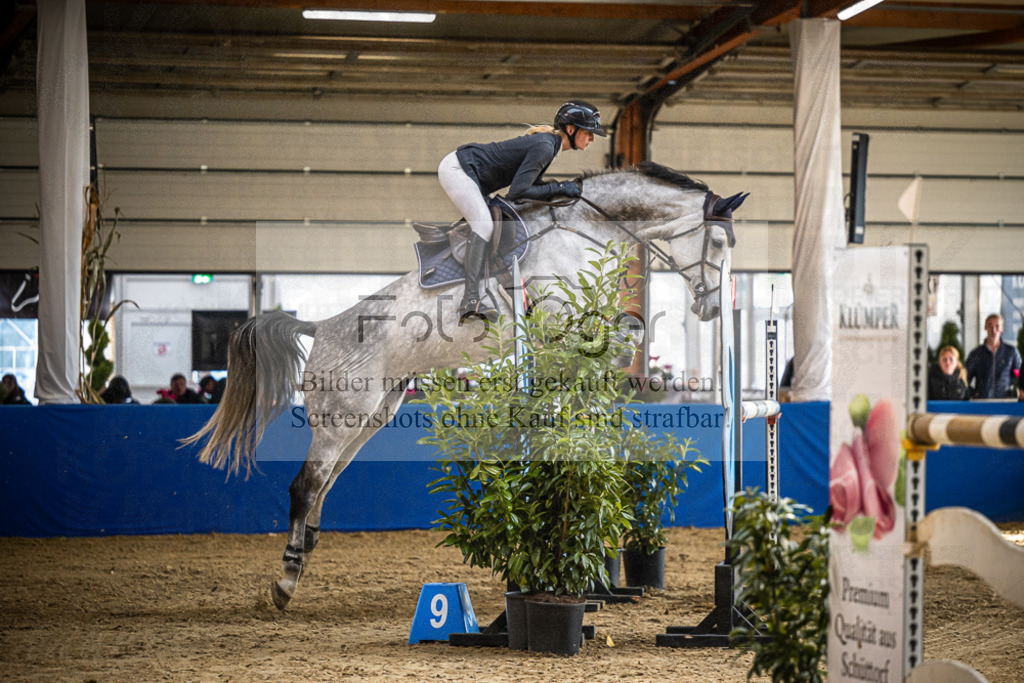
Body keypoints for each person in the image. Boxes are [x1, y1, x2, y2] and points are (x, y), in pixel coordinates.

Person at [438, 100, 606, 322]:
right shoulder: (546, 146)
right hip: (458, 169)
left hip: (472, 173)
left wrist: (561, 188)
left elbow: (527, 190)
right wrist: (563, 187)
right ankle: (469, 302)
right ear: (571, 129)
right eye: (589, 132)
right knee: (485, 226)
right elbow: (519, 192)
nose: (593, 138)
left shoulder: (550, 146)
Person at [965, 314, 1022, 399]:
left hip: (1006, 402)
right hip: (983, 403)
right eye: (990, 325)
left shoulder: (1011, 352)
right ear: (985, 327)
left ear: (1002, 328)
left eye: (997, 326)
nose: (994, 330)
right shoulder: (976, 354)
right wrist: (974, 393)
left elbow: (1019, 375)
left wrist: (1012, 389)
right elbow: (963, 378)